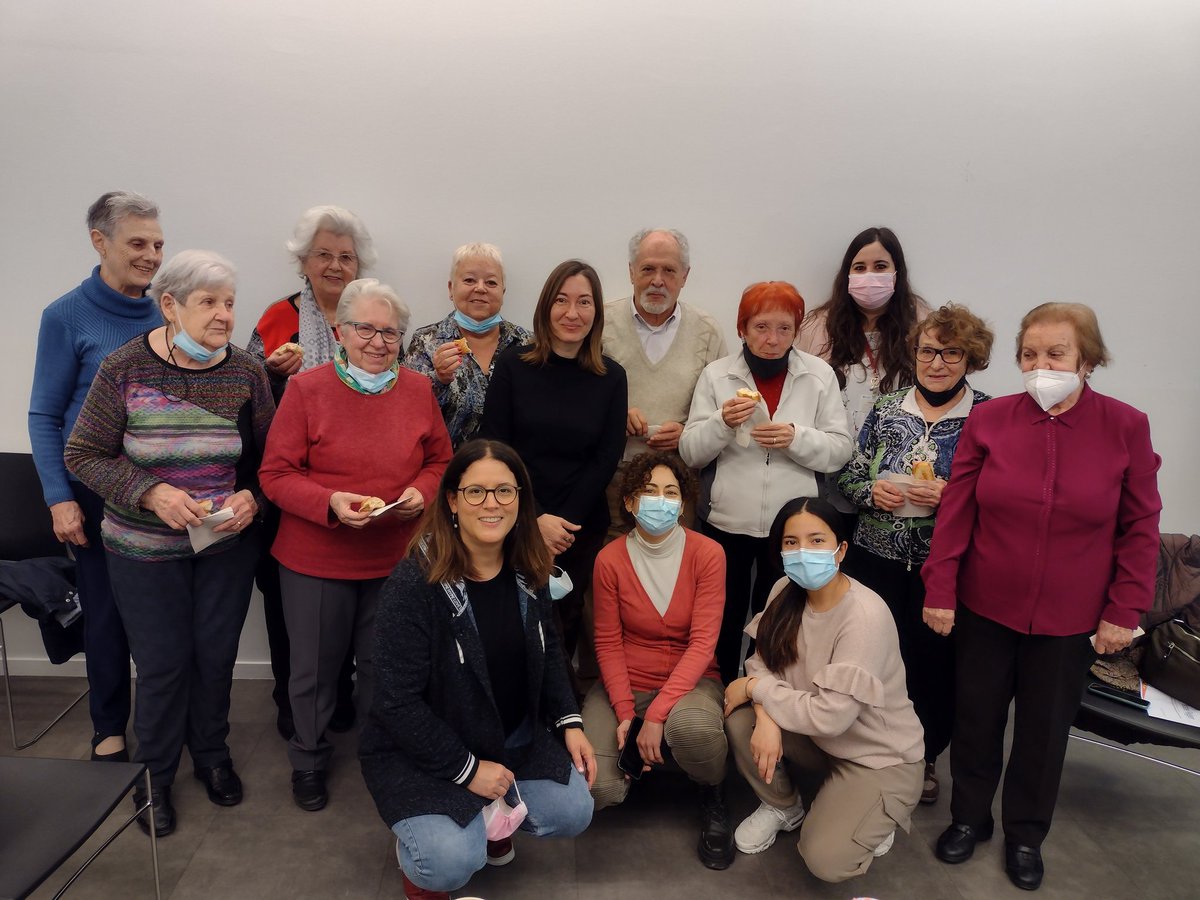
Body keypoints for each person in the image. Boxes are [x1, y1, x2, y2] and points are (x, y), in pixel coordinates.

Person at [921, 302, 1161, 890]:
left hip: (1069, 616)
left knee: (1043, 730)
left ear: (1087, 360)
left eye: (1055, 353)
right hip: (985, 605)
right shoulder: (991, 420)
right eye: (1029, 355)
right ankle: (968, 819)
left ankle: (1026, 834)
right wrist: (941, 586)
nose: (1040, 365)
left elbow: (1141, 527)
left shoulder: (1125, 427)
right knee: (976, 720)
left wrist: (1123, 609)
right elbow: (957, 511)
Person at [64, 250, 275, 836]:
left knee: (215, 658)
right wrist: (151, 493)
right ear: (170, 306)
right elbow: (82, 455)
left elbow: (274, 461)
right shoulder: (123, 367)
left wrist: (251, 496)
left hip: (223, 548)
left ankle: (212, 757)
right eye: (208, 303)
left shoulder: (247, 372)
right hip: (141, 549)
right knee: (161, 666)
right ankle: (153, 777)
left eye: (229, 303)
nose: (224, 316)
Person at [360, 440, 595, 900]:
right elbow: (395, 702)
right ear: (452, 500)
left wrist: (569, 722)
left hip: (508, 742)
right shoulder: (415, 583)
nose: (492, 504)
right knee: (447, 862)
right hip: (422, 754)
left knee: (575, 810)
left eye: (505, 491)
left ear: (521, 500)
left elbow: (548, 654)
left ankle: (490, 820)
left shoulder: (530, 571)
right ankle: (427, 863)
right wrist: (466, 770)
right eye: (476, 492)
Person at [259, 278, 452, 812]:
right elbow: (274, 474)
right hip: (315, 558)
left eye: (389, 332)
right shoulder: (306, 389)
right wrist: (330, 503)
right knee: (314, 670)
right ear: (340, 332)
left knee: (383, 666)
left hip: (394, 559)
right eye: (364, 328)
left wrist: (421, 491)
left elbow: (441, 461)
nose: (377, 341)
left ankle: (380, 752)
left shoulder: (417, 389)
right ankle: (309, 758)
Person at [836, 303, 994, 805]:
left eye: (952, 353)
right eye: (928, 351)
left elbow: (1003, 496)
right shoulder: (888, 408)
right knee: (876, 656)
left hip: (942, 568)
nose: (938, 362)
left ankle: (923, 757)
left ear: (970, 358)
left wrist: (953, 496)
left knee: (934, 664)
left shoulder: (989, 416)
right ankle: (864, 748)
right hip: (874, 559)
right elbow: (849, 476)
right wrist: (871, 493)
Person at [28, 191, 165, 764]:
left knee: (158, 620)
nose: (151, 255)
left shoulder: (168, 310)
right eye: (137, 243)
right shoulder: (65, 316)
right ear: (99, 241)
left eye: (158, 244)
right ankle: (108, 729)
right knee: (105, 615)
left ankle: (168, 732)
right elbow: (43, 414)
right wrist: (59, 498)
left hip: (163, 496)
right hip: (94, 490)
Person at [723, 497, 924, 884]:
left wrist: (755, 688)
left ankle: (877, 811)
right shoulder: (784, 589)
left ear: (841, 549)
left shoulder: (864, 615)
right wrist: (763, 713)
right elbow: (763, 662)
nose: (803, 552)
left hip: (878, 756)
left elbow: (831, 716)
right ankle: (784, 806)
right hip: (821, 740)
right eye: (791, 542)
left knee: (825, 860)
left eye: (817, 540)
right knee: (742, 718)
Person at [680, 281, 853, 684]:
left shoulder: (819, 375)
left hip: (794, 529)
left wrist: (796, 437)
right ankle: (715, 696)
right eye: (761, 327)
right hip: (725, 523)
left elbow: (841, 449)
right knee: (720, 619)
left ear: (796, 331)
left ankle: (769, 698)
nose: (772, 340)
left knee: (780, 621)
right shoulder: (717, 375)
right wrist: (722, 424)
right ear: (741, 328)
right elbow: (690, 453)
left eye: (784, 329)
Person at [247, 205, 377, 740]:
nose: (335, 265)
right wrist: (273, 377)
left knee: (351, 594)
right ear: (303, 260)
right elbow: (246, 396)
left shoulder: (371, 317)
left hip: (357, 482)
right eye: (324, 254)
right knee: (289, 602)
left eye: (345, 256)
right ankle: (290, 697)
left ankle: (340, 693)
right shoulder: (278, 317)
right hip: (290, 486)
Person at [478, 260, 627, 679]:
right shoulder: (512, 366)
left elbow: (607, 456)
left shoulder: (611, 377)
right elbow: (496, 446)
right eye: (561, 300)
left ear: (597, 312)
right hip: (513, 516)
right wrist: (534, 518)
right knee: (507, 622)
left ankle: (560, 720)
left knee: (563, 623)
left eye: (584, 302)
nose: (572, 312)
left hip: (578, 528)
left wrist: (562, 526)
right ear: (546, 306)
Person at [583, 451, 732, 869]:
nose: (660, 501)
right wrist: (628, 713)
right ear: (629, 502)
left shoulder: (708, 554)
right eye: (648, 491)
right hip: (626, 680)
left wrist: (657, 714)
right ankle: (636, 767)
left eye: (671, 492)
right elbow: (608, 642)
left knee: (693, 727)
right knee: (598, 792)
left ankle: (712, 788)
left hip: (693, 681)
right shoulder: (609, 559)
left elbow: (704, 643)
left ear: (683, 503)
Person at [600, 228, 727, 534]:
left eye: (669, 270)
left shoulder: (707, 331)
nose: (658, 280)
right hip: (609, 487)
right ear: (631, 272)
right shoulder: (600, 325)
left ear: (684, 275)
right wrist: (614, 414)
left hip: (677, 491)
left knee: (672, 574)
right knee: (610, 572)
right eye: (648, 269)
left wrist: (687, 433)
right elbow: (574, 399)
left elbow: (721, 413)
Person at [797, 228, 930, 513]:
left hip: (892, 477)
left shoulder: (921, 324)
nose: (869, 275)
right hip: (829, 468)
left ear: (897, 272)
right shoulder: (817, 326)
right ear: (847, 274)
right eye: (860, 268)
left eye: (880, 267)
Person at [403, 242, 530, 447]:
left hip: (513, 471)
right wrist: (439, 380)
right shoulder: (426, 341)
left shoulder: (526, 344)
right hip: (445, 471)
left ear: (503, 292)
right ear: (451, 288)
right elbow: (407, 412)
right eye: (469, 280)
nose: (480, 288)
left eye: (491, 283)